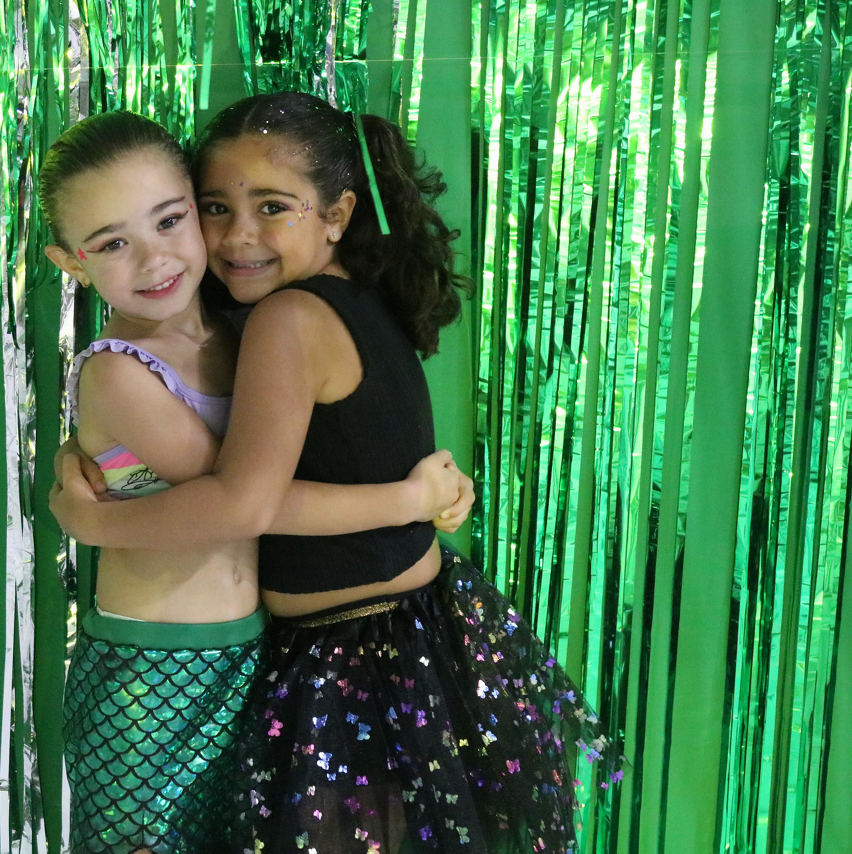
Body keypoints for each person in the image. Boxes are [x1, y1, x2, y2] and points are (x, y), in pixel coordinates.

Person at [50, 93, 622, 854]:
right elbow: (234, 487)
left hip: (320, 651)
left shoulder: (270, 319)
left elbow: (243, 498)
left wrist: (91, 519)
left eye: (172, 219)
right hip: (172, 670)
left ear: (337, 214)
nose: (230, 236)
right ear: (73, 261)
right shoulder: (242, 321)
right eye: (218, 208)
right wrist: (412, 497)